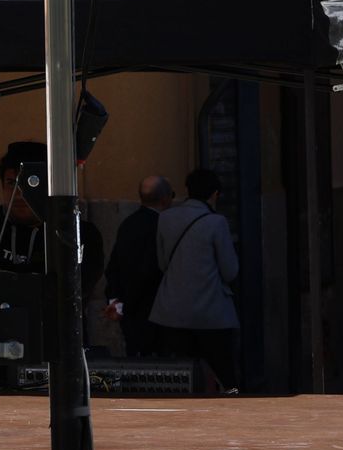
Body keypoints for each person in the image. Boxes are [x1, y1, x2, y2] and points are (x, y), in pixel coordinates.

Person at [148, 168, 240, 392]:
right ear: (215, 194)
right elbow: (230, 271)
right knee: (224, 373)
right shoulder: (216, 223)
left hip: (172, 313)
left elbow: (162, 263)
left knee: (179, 377)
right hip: (211, 314)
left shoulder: (165, 218)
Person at [0, 142, 104, 294]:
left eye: (30, 183)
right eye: (11, 183)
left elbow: (73, 291)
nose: (19, 193)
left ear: (49, 186)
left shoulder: (78, 235)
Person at [102, 175, 174, 357]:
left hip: (131, 311)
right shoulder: (164, 225)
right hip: (157, 310)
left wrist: (116, 300)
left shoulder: (128, 224)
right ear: (165, 198)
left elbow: (114, 266)